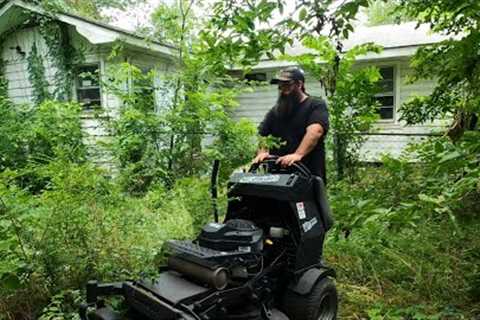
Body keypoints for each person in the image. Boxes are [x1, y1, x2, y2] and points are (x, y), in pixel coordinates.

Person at [253, 67, 329, 184]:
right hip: (279, 177)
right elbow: (263, 134)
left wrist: (298, 154)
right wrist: (262, 152)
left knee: (308, 202)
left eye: (287, 85)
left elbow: (315, 131)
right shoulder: (275, 111)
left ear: (299, 84)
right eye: (280, 86)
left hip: (308, 174)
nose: (282, 90)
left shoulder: (315, 105)